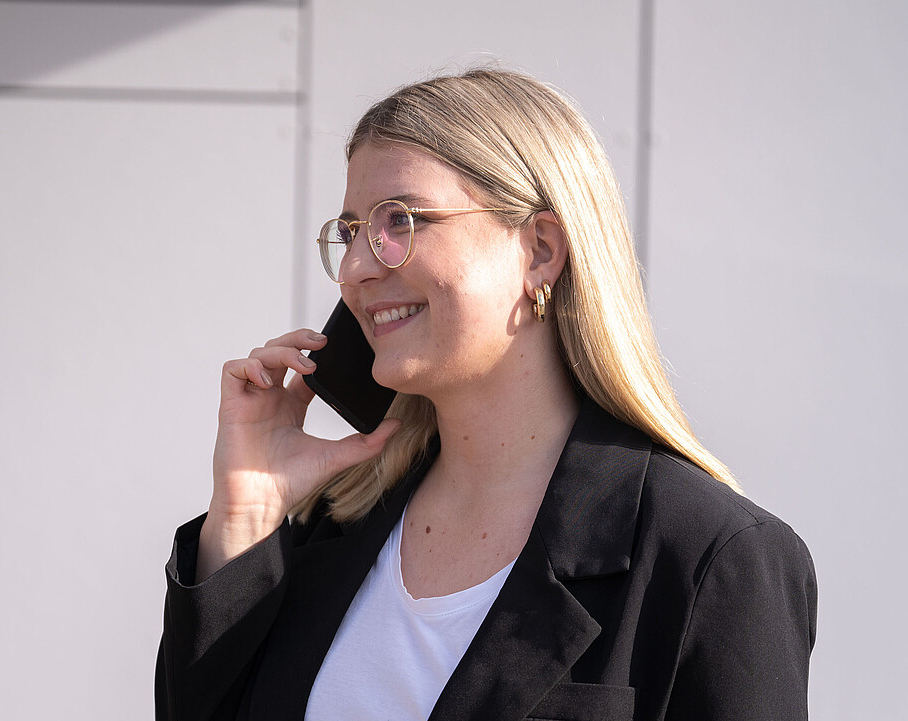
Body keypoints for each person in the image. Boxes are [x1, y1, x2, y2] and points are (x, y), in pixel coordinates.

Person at [155, 68, 816, 721]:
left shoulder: (710, 557)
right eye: (352, 230)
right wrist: (244, 514)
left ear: (540, 250)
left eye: (400, 221)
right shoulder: (332, 526)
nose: (356, 268)